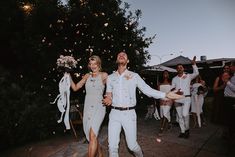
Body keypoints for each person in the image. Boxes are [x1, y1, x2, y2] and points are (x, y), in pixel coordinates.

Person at [102, 51, 183, 157]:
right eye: (119, 55)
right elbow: (108, 94)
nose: (121, 55)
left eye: (124, 55)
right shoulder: (110, 77)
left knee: (132, 146)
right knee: (112, 147)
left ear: (128, 61)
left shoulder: (134, 76)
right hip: (114, 114)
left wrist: (165, 95)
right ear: (117, 60)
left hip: (129, 114)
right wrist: (108, 99)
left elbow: (147, 90)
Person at [70, 55, 108, 157]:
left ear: (99, 64)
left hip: (99, 107)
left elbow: (113, 87)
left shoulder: (104, 75)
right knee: (91, 135)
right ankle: (100, 155)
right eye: (91, 64)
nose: (93, 66)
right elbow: (75, 87)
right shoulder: (87, 76)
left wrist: (109, 97)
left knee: (92, 135)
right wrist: (67, 75)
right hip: (88, 107)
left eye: (95, 63)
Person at [171, 56, 199, 138]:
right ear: (177, 70)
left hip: (186, 98)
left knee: (185, 114)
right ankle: (183, 131)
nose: (179, 69)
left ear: (183, 69)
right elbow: (172, 88)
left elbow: (196, 73)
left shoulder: (188, 76)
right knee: (179, 116)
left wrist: (194, 64)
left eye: (181, 67)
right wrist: (175, 92)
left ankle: (187, 129)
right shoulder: (174, 79)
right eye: (178, 68)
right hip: (177, 99)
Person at [157, 70, 173, 136]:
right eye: (164, 73)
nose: (165, 74)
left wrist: (172, 100)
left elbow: (173, 93)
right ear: (162, 75)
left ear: (168, 75)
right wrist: (160, 100)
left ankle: (161, 129)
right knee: (163, 115)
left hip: (169, 100)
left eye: (167, 73)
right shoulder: (159, 84)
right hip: (162, 100)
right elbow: (158, 94)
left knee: (165, 114)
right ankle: (169, 123)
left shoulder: (171, 84)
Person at [224, 62, 235, 139]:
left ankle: (231, 136)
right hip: (228, 99)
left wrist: (227, 81)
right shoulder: (233, 76)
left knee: (231, 119)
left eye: (231, 66)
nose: (230, 68)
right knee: (229, 119)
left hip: (231, 100)